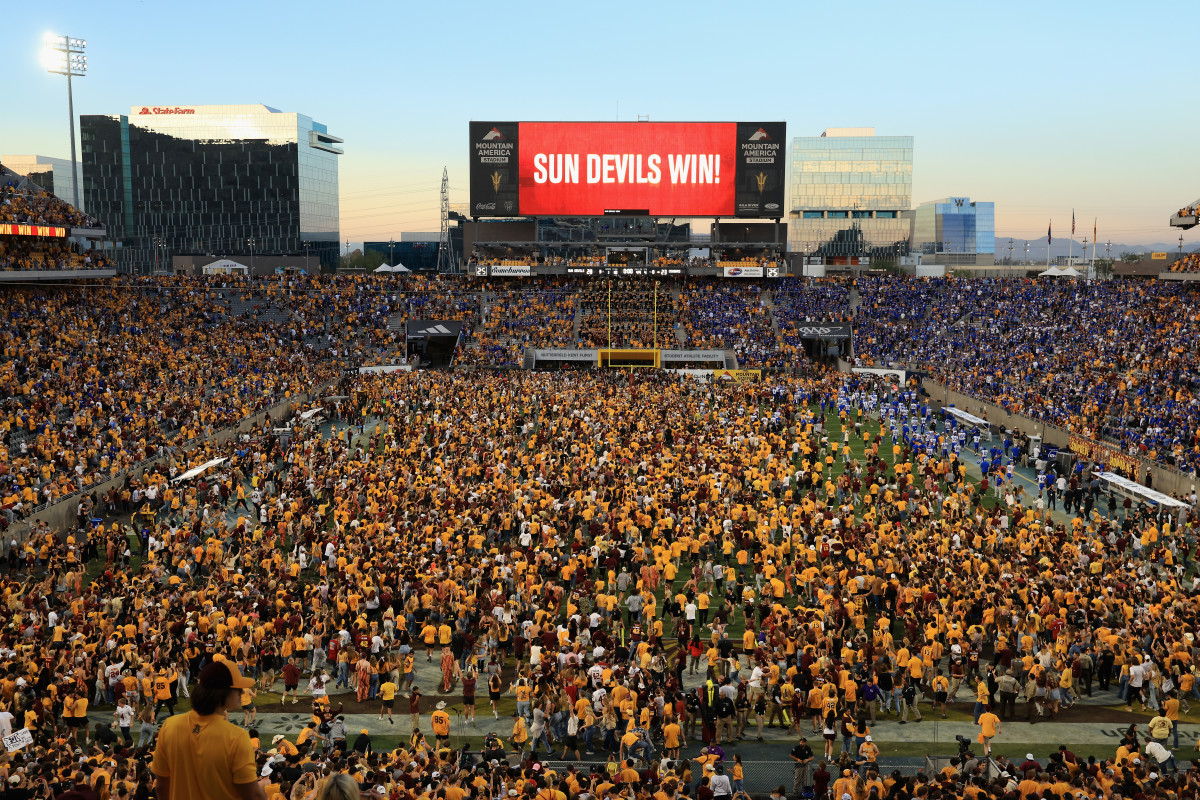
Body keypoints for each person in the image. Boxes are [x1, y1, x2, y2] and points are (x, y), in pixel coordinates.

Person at [150, 659, 267, 800]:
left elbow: (162, 787)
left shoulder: (169, 726)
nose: (241, 693)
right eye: (237, 689)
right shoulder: (236, 737)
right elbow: (252, 795)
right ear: (224, 693)